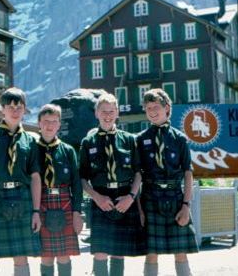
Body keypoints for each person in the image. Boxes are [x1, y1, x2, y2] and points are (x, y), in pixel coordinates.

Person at [0, 87, 41, 276]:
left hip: (22, 198)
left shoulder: (30, 140)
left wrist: (36, 211)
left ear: (24, 110)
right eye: (10, 106)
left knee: (21, 256)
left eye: (19, 106)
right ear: (2, 109)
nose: (14, 110)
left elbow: (35, 178)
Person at [79, 92, 145, 276]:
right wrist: (96, 197)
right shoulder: (88, 142)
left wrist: (131, 197)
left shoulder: (129, 140)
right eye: (103, 111)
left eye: (111, 111)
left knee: (118, 253)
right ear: (96, 113)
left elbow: (139, 173)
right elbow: (82, 178)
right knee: (100, 252)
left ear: (117, 113)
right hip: (101, 199)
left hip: (125, 198)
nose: (107, 115)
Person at [137, 88, 198, 276]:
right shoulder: (140, 139)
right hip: (150, 198)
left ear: (167, 108)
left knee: (181, 253)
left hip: (175, 198)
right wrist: (140, 210)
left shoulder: (180, 138)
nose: (152, 111)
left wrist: (186, 205)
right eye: (148, 108)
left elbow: (188, 173)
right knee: (151, 253)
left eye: (156, 107)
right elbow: (137, 176)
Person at [36, 104, 83, 276]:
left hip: (64, 204)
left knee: (64, 256)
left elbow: (77, 184)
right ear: (39, 123)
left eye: (54, 121)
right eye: (46, 121)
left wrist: (77, 212)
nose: (50, 125)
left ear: (59, 124)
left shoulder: (68, 150)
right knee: (46, 256)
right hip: (41, 203)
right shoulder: (32, 150)